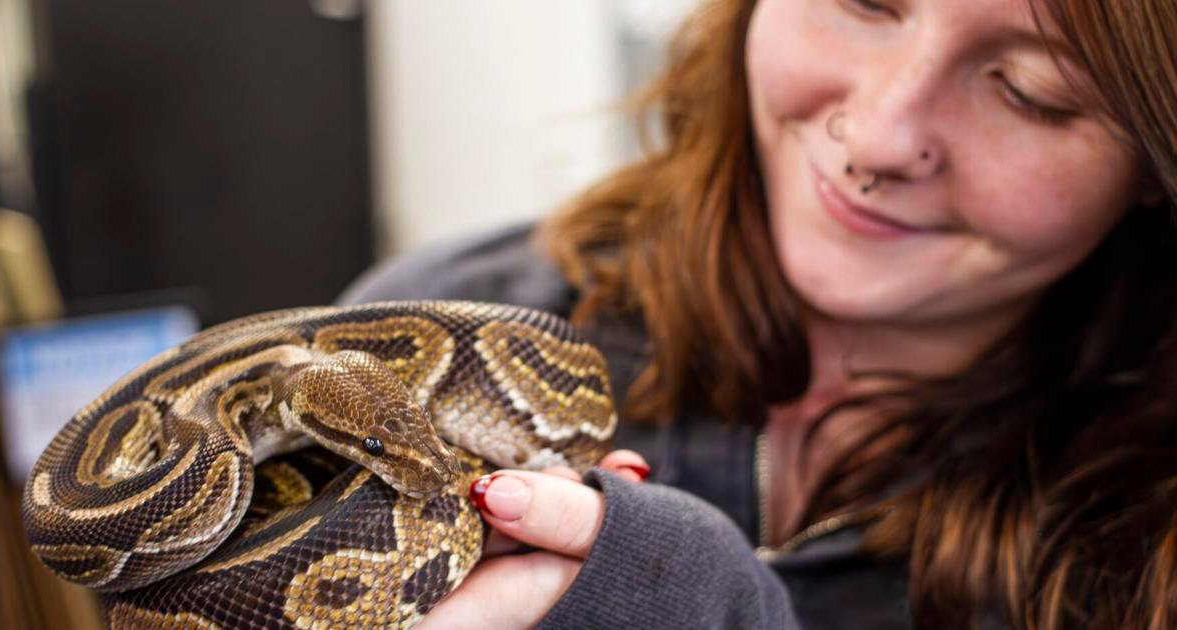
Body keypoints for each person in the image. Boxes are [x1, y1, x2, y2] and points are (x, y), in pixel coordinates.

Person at [340, 0, 1177, 627]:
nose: (880, 137)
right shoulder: (434, 307)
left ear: (1154, 158)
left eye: (1034, 93)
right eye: (863, 0)